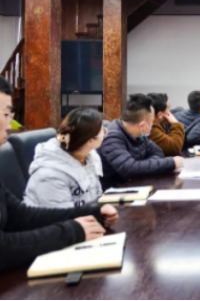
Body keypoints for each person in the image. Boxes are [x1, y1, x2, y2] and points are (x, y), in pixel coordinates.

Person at [0, 76, 119, 272]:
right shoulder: (49, 173)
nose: (9, 124)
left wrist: (90, 213)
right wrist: (73, 230)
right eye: (5, 114)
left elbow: (19, 215)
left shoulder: (89, 157)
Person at [24, 108, 106, 208]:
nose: (106, 133)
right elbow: (63, 215)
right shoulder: (50, 175)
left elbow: (95, 198)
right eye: (104, 132)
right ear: (90, 141)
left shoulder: (89, 157)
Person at [99, 94, 183, 190]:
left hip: (134, 185)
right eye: (152, 122)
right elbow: (129, 168)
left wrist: (141, 166)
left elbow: (157, 152)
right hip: (115, 191)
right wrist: (171, 163)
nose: (152, 126)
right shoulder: (111, 137)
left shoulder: (139, 134)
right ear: (142, 125)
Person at [148, 93, 185, 157]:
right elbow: (174, 148)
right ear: (160, 114)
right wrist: (176, 124)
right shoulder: (151, 128)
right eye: (168, 109)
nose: (169, 113)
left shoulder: (156, 123)